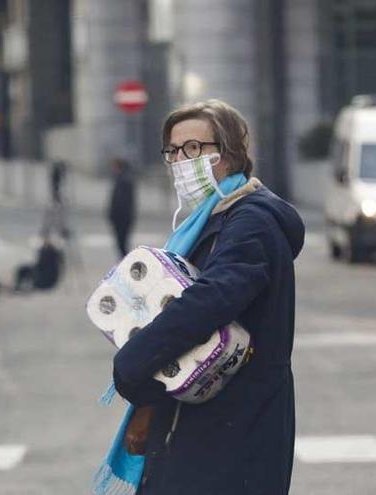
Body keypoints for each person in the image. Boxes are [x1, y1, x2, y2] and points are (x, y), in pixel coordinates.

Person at [106, 99, 305, 494]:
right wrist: (149, 404)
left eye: (195, 148)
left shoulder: (251, 220)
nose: (182, 161)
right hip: (201, 421)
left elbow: (213, 297)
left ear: (229, 153)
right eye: (174, 151)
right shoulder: (210, 221)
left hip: (236, 428)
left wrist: (133, 361)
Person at [107, 157, 137, 258]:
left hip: (122, 217)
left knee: (122, 242)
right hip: (120, 217)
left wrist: (114, 214)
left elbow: (121, 201)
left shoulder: (124, 181)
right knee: (121, 242)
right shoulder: (120, 179)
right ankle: (124, 260)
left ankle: (125, 260)